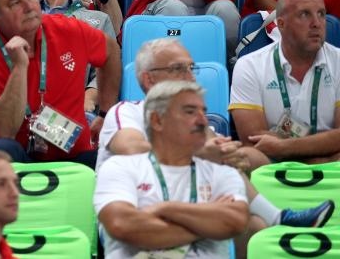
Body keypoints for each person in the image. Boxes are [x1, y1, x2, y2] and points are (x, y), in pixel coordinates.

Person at [99, 38, 335, 241]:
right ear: (149, 80)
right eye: (179, 69)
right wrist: (203, 153)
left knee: (253, 224)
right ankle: (277, 216)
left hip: (194, 204)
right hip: (137, 208)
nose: (190, 77)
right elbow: (131, 148)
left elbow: (219, 153)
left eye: (192, 68)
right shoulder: (127, 111)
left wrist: (232, 156)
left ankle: (275, 216)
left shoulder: (195, 121)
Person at [0, 0, 121, 167]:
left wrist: (104, 113)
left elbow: (110, 51)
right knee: (3, 148)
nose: (29, 7)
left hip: (73, 150)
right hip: (18, 157)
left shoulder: (67, 29)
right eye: (15, 3)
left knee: (106, 161)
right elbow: (3, 132)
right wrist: (19, 68)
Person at [94, 81, 249, 258]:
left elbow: (236, 222)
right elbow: (121, 225)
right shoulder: (119, 167)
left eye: (203, 112)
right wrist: (208, 226)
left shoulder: (222, 171)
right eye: (190, 112)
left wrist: (165, 209)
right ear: (157, 120)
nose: (202, 121)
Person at [231, 0, 340, 167]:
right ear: (281, 24)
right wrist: (321, 150)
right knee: (246, 156)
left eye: (321, 14)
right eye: (305, 14)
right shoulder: (250, 65)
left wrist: (285, 147)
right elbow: (253, 139)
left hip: (326, 161)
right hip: (277, 163)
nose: (317, 23)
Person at [37, 0, 120, 114]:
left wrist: (89, 96)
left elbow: (105, 70)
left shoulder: (98, 20)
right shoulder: (23, 14)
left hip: (72, 112)